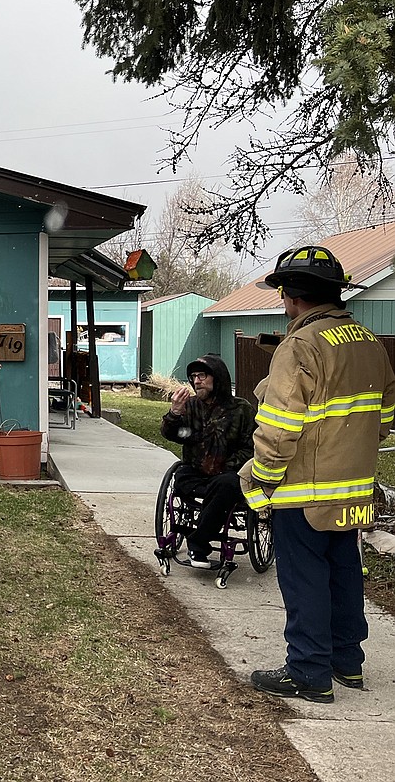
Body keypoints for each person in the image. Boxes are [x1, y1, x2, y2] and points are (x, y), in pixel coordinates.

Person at [240, 246, 395, 703]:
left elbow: (279, 428)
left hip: (303, 492)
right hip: (352, 490)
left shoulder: (301, 346)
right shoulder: (368, 342)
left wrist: (262, 481)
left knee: (304, 578)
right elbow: (384, 414)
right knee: (344, 572)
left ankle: (308, 671)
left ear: (292, 296)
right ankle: (347, 663)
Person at [160, 353, 256, 567]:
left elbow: (251, 447)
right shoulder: (190, 406)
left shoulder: (242, 409)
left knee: (226, 486)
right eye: (193, 376)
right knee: (181, 477)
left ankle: (198, 542)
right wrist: (174, 413)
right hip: (195, 472)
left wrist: (225, 467)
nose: (196, 381)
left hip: (226, 475)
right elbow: (172, 434)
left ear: (218, 377)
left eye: (202, 375)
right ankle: (199, 538)